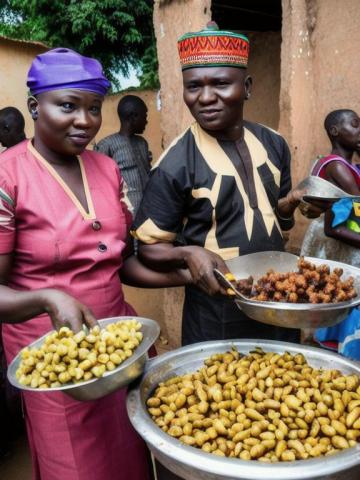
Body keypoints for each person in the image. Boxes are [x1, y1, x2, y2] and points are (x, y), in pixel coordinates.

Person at [0, 47, 189, 480]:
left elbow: (121, 264)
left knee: (132, 457)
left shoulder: (106, 169)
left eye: (92, 108)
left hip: (119, 350)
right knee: (77, 465)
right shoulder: (7, 176)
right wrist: (49, 298)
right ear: (34, 106)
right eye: (67, 106)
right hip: (58, 360)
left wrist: (184, 272)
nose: (84, 121)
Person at [132, 23, 320, 348]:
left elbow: (279, 219)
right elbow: (149, 250)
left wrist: (293, 202)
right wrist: (190, 252)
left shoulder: (274, 144)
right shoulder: (175, 164)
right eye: (193, 87)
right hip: (216, 312)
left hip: (280, 300)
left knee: (287, 387)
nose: (205, 98)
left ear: (246, 87)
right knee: (222, 393)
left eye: (220, 84)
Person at [301, 109, 360, 359]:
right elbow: (340, 220)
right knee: (344, 297)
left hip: (344, 241)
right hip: (338, 242)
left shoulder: (347, 165)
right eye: (356, 125)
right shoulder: (335, 166)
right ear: (335, 131)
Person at [95, 95, 152, 215]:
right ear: (133, 117)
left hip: (149, 211)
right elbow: (99, 184)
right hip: (126, 215)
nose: (146, 121)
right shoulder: (106, 145)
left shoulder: (142, 143)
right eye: (144, 116)